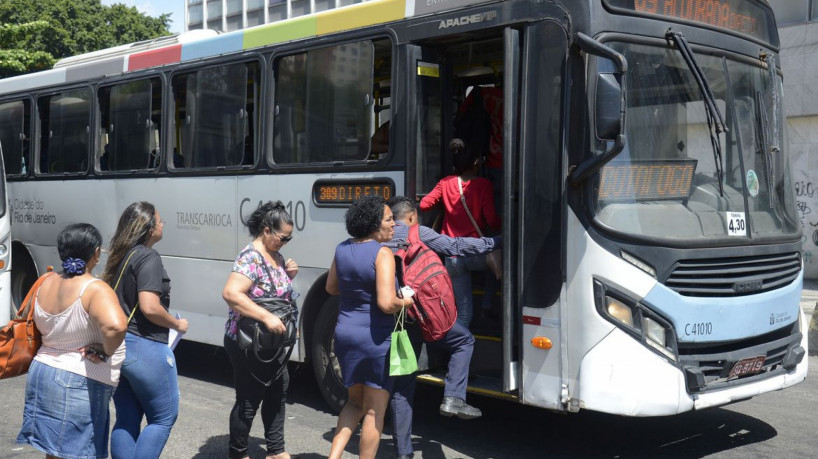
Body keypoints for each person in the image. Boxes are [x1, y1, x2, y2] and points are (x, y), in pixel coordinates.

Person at [386, 196, 499, 459]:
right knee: (464, 341)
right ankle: (453, 397)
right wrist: (496, 242)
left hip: (400, 319)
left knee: (403, 387)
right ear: (412, 216)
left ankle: (404, 452)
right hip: (430, 315)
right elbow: (456, 246)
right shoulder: (419, 232)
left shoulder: (382, 239)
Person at [17, 223, 128, 459]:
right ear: (96, 252)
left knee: (54, 452)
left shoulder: (45, 280)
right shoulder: (95, 288)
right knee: (80, 452)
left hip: (42, 373)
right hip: (76, 379)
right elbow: (117, 325)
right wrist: (106, 351)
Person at [325, 195, 413, 459]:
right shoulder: (382, 253)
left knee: (354, 402)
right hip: (375, 339)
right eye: (388, 220)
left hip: (345, 334)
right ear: (374, 225)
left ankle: (334, 457)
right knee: (375, 411)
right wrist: (405, 300)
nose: (394, 225)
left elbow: (331, 287)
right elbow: (386, 303)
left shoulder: (341, 248)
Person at [102, 201, 189, 459]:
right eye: (160, 221)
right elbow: (150, 307)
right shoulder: (149, 257)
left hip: (120, 348)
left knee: (127, 420)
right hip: (145, 346)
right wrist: (176, 324)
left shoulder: (121, 256)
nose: (163, 225)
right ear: (149, 228)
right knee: (163, 418)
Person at [221, 201, 299, 459]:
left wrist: (288, 276)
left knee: (278, 391)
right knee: (250, 398)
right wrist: (266, 317)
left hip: (272, 343)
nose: (285, 243)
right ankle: (239, 453)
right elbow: (231, 293)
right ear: (266, 230)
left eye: (289, 239)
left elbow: (269, 293)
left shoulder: (274, 255)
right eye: (282, 237)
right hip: (248, 341)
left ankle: (276, 451)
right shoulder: (251, 257)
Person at [419, 138, 501, 329]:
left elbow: (423, 205)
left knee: (463, 312)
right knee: (496, 265)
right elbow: (491, 220)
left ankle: (460, 347)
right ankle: (488, 303)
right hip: (475, 253)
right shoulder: (483, 185)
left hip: (452, 256)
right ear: (476, 163)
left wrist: (445, 203)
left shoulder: (445, 183)